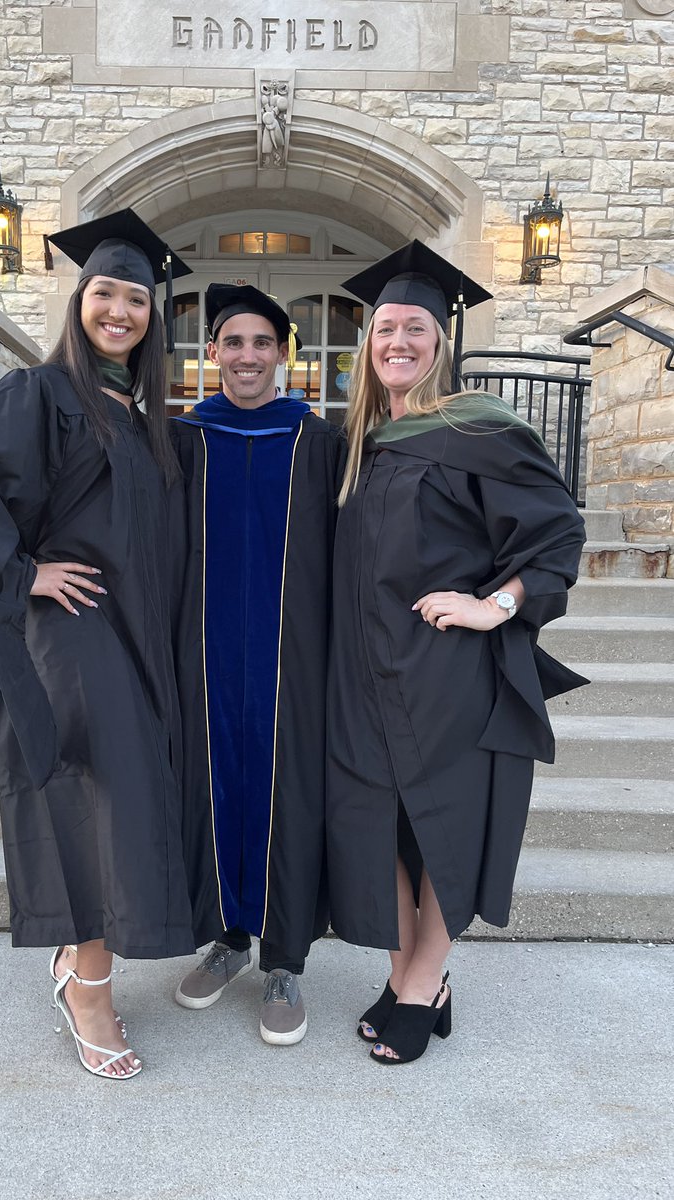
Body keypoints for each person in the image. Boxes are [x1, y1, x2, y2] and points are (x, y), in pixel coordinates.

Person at [0, 209, 199, 1080]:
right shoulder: (39, 395)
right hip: (73, 639)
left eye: (135, 299)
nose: (118, 310)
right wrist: (22, 570)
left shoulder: (147, 415)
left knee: (123, 800)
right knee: (94, 808)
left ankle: (80, 962)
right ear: (81, 299)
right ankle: (89, 988)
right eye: (104, 293)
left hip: (134, 638)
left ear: (154, 318)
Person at [326, 241, 587, 1065]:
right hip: (363, 671)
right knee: (384, 827)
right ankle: (415, 975)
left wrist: (493, 605)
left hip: (446, 670)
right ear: (367, 344)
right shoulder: (361, 442)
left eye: (415, 330)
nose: (397, 342)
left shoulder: (481, 431)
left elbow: (556, 533)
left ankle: (424, 978)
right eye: (384, 330)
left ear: (442, 341)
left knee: (442, 824)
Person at [170, 284, 344, 1045]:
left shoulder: (319, 442)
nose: (246, 356)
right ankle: (228, 940)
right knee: (213, 789)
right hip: (203, 653)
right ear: (211, 354)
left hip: (290, 657)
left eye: (262, 343)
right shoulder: (181, 439)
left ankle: (284, 958)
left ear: (283, 355)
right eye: (232, 343)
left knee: (284, 795)